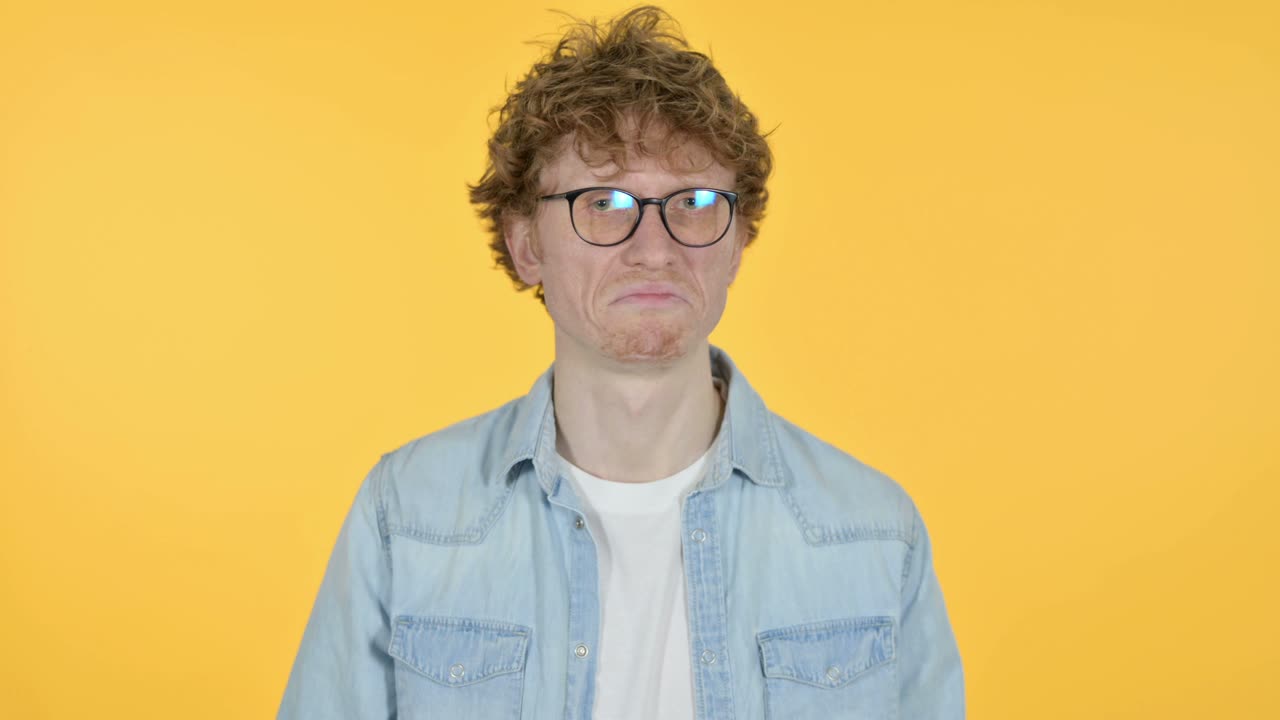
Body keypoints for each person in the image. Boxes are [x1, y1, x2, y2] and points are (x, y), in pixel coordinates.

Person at [278, 6, 963, 719]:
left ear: (738, 242)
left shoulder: (873, 531)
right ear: (526, 244)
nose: (655, 249)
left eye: (695, 201)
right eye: (603, 202)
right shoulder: (406, 515)